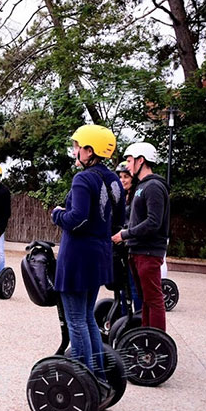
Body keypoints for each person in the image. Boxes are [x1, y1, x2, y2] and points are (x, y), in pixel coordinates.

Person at [52, 124, 124, 380]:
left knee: (76, 321)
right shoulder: (115, 179)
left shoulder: (83, 178)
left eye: (77, 146)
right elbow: (119, 220)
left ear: (89, 150)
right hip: (99, 255)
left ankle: (84, 379)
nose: (75, 151)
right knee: (87, 318)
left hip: (77, 257)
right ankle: (99, 377)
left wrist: (58, 214)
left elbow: (77, 219)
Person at [112, 142, 169, 331]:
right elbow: (137, 220)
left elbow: (154, 222)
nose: (127, 165)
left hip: (149, 252)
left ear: (141, 160)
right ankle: (146, 337)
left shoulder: (153, 186)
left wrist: (125, 234)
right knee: (144, 300)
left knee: (153, 299)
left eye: (129, 160)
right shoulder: (141, 187)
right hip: (137, 250)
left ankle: (158, 341)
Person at [115, 161, 141, 312]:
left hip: (131, 246)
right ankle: (123, 317)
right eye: (120, 177)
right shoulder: (121, 197)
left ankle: (137, 319)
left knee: (133, 287)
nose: (122, 180)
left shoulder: (136, 199)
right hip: (120, 247)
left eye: (126, 176)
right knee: (121, 287)